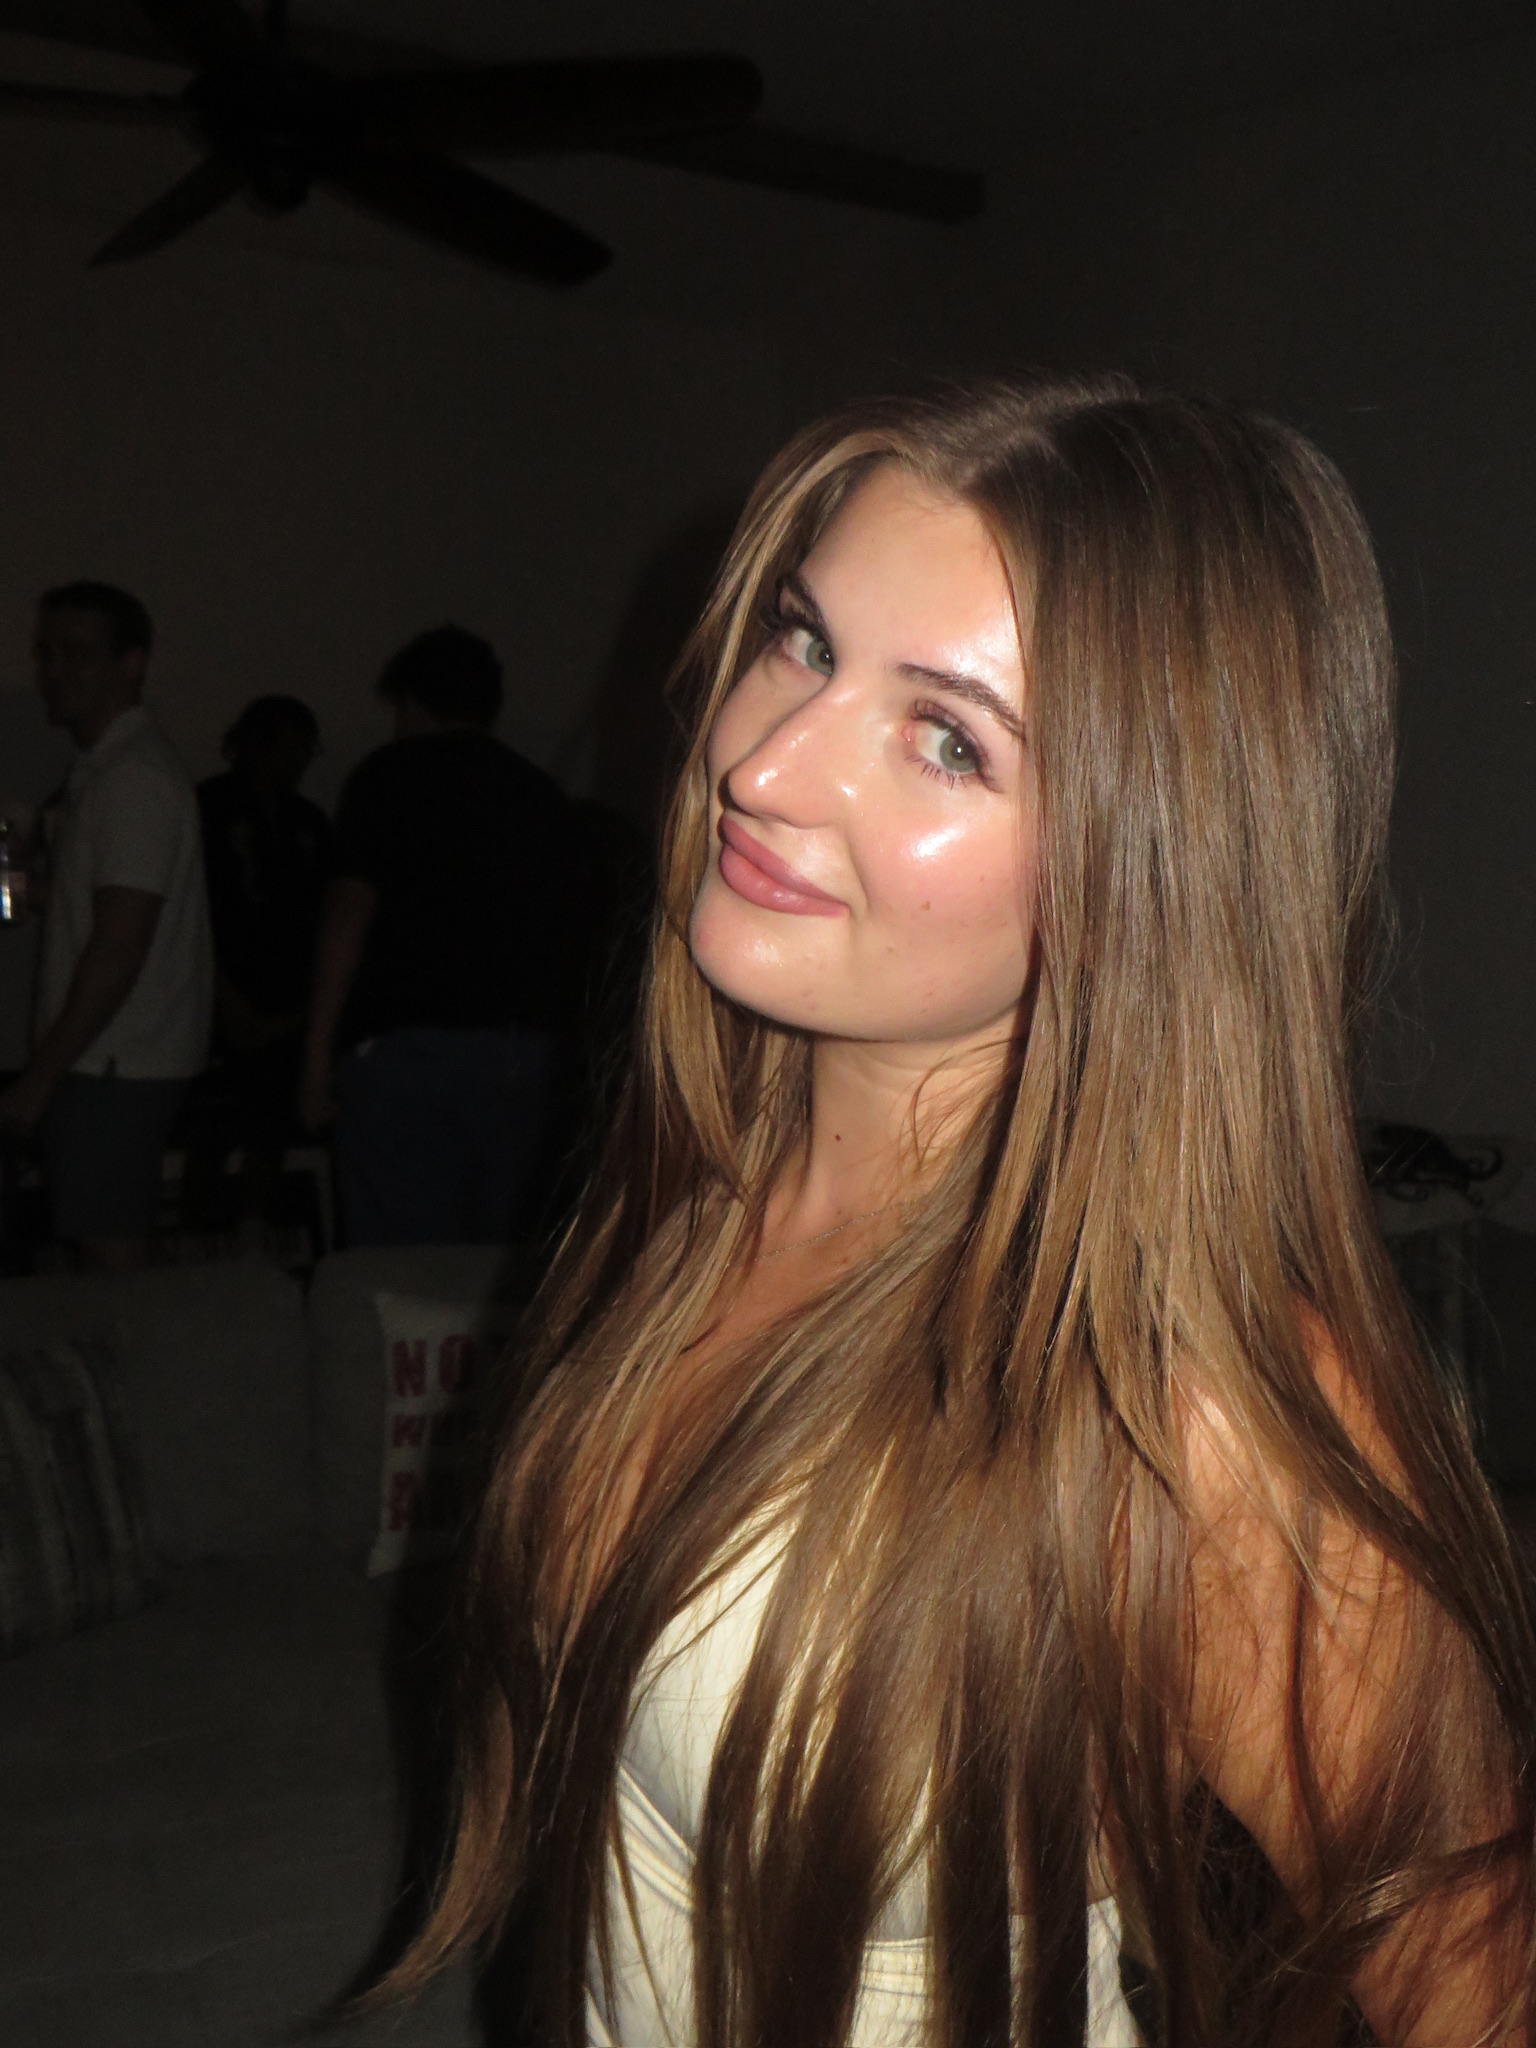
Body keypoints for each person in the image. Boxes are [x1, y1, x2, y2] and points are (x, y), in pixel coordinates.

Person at [382, 381, 1536, 2046]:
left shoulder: (1180, 1392)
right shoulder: (708, 1178)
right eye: (800, 640)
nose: (760, 763)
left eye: (947, 737)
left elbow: (1476, 1969)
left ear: (1154, 868)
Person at [301, 625, 575, 1246]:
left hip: (406, 1052)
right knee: (498, 1265)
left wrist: (316, 1054)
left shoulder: (386, 778)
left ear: (411, 702)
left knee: (399, 1267)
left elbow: (350, 912)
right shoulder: (539, 794)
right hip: (520, 1053)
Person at [0, 581, 211, 1272]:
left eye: (78, 654)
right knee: (106, 1250)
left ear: (132, 663)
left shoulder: (134, 780)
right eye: (47, 653)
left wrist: (42, 1073)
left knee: (113, 1262)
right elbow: (89, 907)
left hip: (112, 1061)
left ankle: (140, 1382)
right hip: (105, 1059)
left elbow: (121, 941)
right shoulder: (103, 771)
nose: (55, 670)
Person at [188, 694, 330, 1230]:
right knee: (209, 1135)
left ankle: (257, 1242)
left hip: (288, 1008)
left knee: (270, 1134)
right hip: (215, 999)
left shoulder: (309, 824)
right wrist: (226, 1001)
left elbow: (321, 925)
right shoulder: (207, 808)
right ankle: (202, 1251)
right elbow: (195, 916)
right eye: (287, 747)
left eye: (304, 750)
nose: (296, 761)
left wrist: (299, 1015)